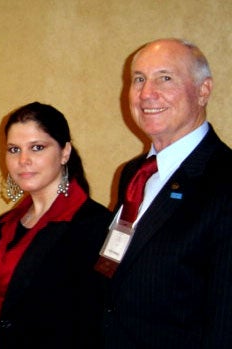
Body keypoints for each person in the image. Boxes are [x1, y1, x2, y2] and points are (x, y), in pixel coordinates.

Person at [95, 38, 232, 348]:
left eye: (164, 78)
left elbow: (225, 317)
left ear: (204, 90)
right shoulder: (133, 174)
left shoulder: (224, 179)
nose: (146, 94)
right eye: (139, 79)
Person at [0, 102, 112, 348]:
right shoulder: (4, 224)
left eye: (37, 148)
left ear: (65, 152)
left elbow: (95, 320)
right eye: (14, 149)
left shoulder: (94, 225)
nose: (23, 160)